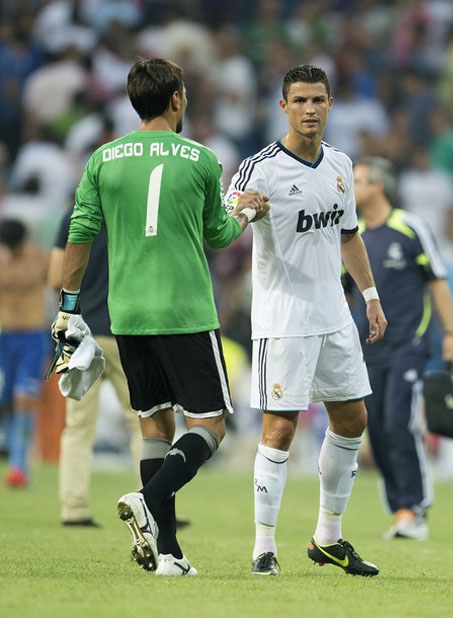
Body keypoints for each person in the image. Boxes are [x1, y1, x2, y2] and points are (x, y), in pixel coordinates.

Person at [50, 58, 269, 576]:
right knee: (210, 425)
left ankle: (168, 554)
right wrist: (247, 210)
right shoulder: (200, 158)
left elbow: (79, 232)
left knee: (153, 426)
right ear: (176, 100)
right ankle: (150, 499)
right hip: (184, 310)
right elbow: (218, 235)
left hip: (125, 314)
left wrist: (68, 306)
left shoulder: (103, 159)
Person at [225, 64, 387, 577]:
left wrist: (371, 295)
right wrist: (242, 211)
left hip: (334, 316)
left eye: (318, 100)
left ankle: (328, 538)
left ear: (331, 104)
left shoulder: (340, 163)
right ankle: (264, 547)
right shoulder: (261, 168)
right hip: (283, 318)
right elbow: (228, 224)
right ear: (283, 107)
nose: (310, 110)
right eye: (299, 101)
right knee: (280, 428)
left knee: (352, 419)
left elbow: (348, 235)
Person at [351, 156, 453, 540]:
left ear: (378, 185)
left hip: (408, 346)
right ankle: (399, 508)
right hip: (367, 350)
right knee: (377, 429)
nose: (351, 187)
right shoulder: (353, 235)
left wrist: (450, 335)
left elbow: (438, 281)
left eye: (358, 180)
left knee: (400, 422)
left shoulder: (410, 227)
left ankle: (414, 508)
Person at [49, 210, 142, 526]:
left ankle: (74, 508)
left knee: (77, 426)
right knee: (143, 421)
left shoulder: (72, 217)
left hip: (78, 332)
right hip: (127, 332)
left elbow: (53, 278)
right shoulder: (133, 213)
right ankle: (152, 502)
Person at [0, 219, 49, 487]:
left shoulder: (38, 261)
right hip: (5, 338)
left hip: (32, 337)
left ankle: (19, 464)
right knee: (7, 400)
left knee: (23, 398)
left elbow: (59, 283)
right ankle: (14, 454)